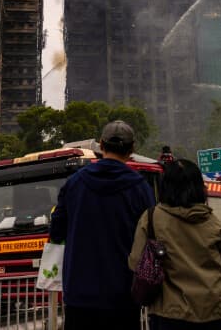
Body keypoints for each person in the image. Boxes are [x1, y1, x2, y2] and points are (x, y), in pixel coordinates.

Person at [49, 120, 154, 330]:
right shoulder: (141, 187)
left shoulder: (74, 183)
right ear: (132, 149)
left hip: (80, 296)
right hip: (124, 297)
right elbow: (152, 237)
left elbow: (56, 232)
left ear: (101, 145)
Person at [128, 159, 221, 330]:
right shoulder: (213, 223)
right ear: (199, 187)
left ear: (165, 186)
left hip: (169, 315)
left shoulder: (151, 218)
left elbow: (135, 262)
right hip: (213, 313)